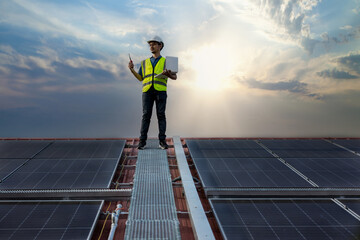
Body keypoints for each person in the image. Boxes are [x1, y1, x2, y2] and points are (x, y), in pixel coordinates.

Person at [128, 36, 177, 150]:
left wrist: (168, 74)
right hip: (147, 92)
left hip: (160, 91)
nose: (151, 46)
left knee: (161, 115)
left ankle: (162, 142)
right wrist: (132, 70)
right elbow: (140, 78)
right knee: (146, 116)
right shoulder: (144, 63)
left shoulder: (166, 61)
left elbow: (174, 77)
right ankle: (142, 142)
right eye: (150, 44)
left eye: (154, 44)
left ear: (160, 46)